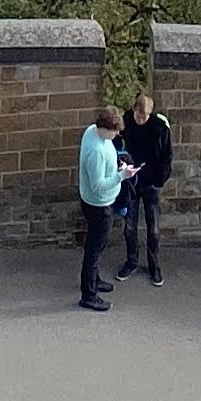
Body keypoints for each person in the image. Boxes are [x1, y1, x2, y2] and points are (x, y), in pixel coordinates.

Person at [115, 86, 173, 284]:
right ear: (134, 110)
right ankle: (131, 261)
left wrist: (160, 180)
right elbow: (117, 147)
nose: (142, 120)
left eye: (146, 116)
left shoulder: (159, 126)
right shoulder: (126, 122)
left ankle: (153, 266)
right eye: (140, 116)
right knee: (129, 227)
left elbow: (167, 155)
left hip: (151, 183)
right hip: (131, 182)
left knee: (154, 229)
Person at [75, 106, 126, 309]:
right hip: (99, 205)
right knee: (94, 250)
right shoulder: (96, 152)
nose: (116, 135)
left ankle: (94, 281)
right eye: (114, 131)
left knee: (95, 246)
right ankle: (88, 295)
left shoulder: (91, 132)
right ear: (105, 129)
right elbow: (98, 186)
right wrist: (121, 176)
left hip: (91, 200)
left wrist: (117, 168)